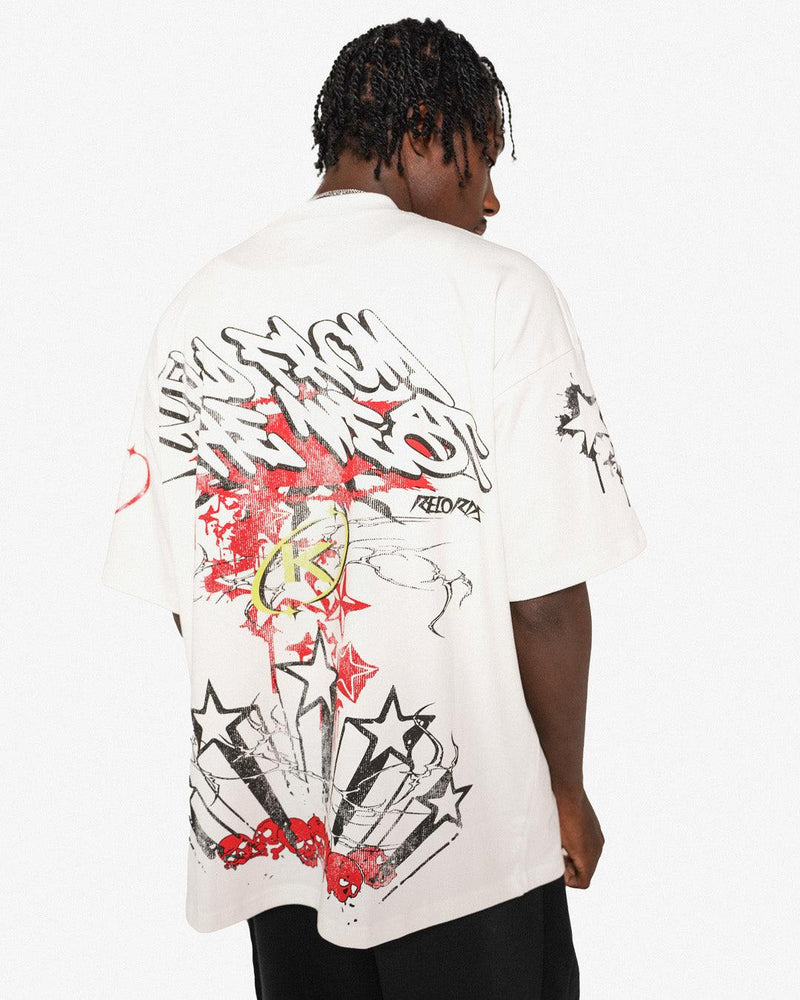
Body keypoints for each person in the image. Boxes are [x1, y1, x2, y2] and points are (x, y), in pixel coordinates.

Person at [101, 16, 647, 1000]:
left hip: (283, 838)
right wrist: (563, 789)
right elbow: (544, 601)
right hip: (468, 837)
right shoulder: (498, 291)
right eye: (484, 159)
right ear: (426, 129)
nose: (491, 198)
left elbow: (201, 595)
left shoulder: (194, 307)